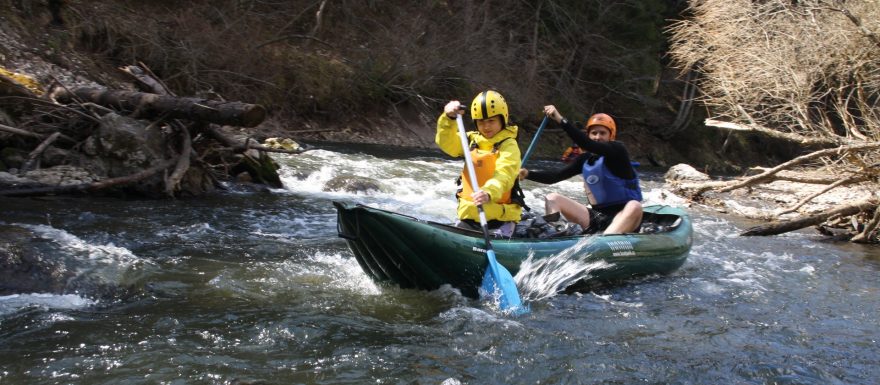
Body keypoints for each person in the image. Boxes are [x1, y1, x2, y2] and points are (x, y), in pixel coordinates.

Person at [519, 106, 643, 234]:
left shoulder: (618, 151)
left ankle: (605, 239)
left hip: (624, 217)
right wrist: (528, 174)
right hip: (597, 218)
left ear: (611, 136)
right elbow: (555, 176)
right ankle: (553, 233)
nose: (598, 137)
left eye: (602, 133)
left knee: (635, 205)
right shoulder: (584, 160)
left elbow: (586, 144)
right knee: (553, 197)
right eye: (594, 133)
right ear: (588, 135)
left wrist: (560, 120)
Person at [436, 90, 524, 237]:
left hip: (501, 218)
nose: (486, 126)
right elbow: (446, 143)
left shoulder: (509, 145)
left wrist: (489, 192)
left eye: (491, 121)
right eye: (481, 122)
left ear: (503, 119)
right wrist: (448, 118)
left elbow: (505, 174)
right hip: (470, 214)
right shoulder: (470, 140)